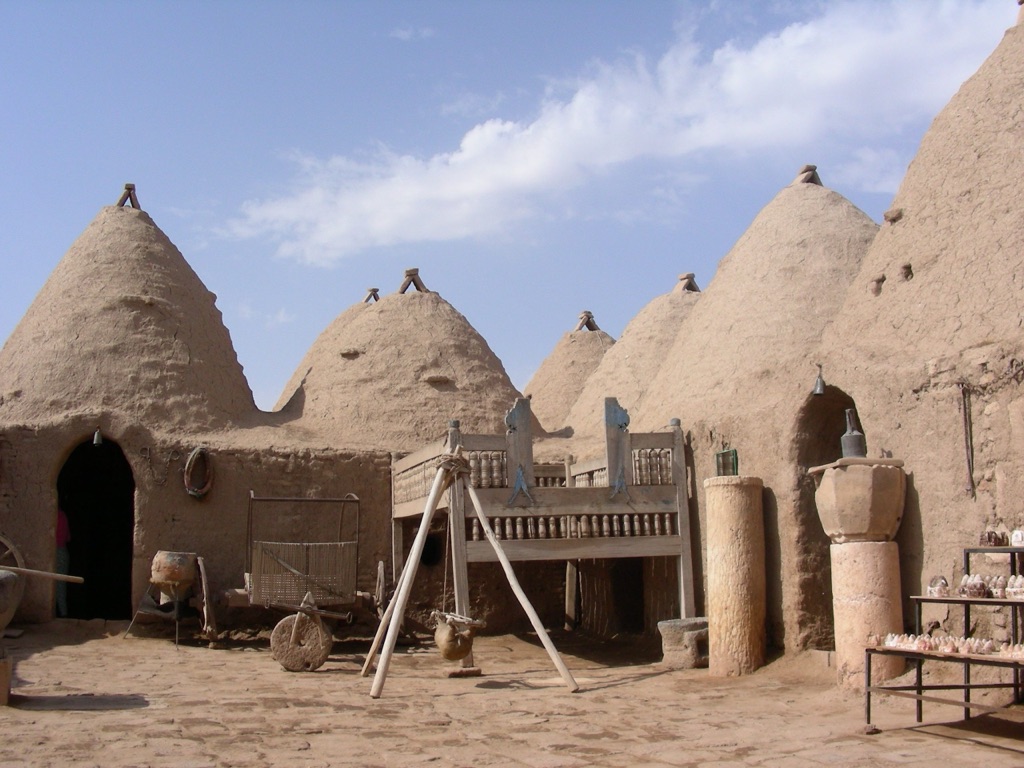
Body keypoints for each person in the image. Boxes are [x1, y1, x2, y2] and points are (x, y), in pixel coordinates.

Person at [55, 508, 70, 617]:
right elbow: (68, 538)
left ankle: (61, 615)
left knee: (56, 586)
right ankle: (63, 613)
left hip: (54, 552)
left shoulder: (52, 515)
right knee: (61, 586)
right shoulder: (63, 515)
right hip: (63, 552)